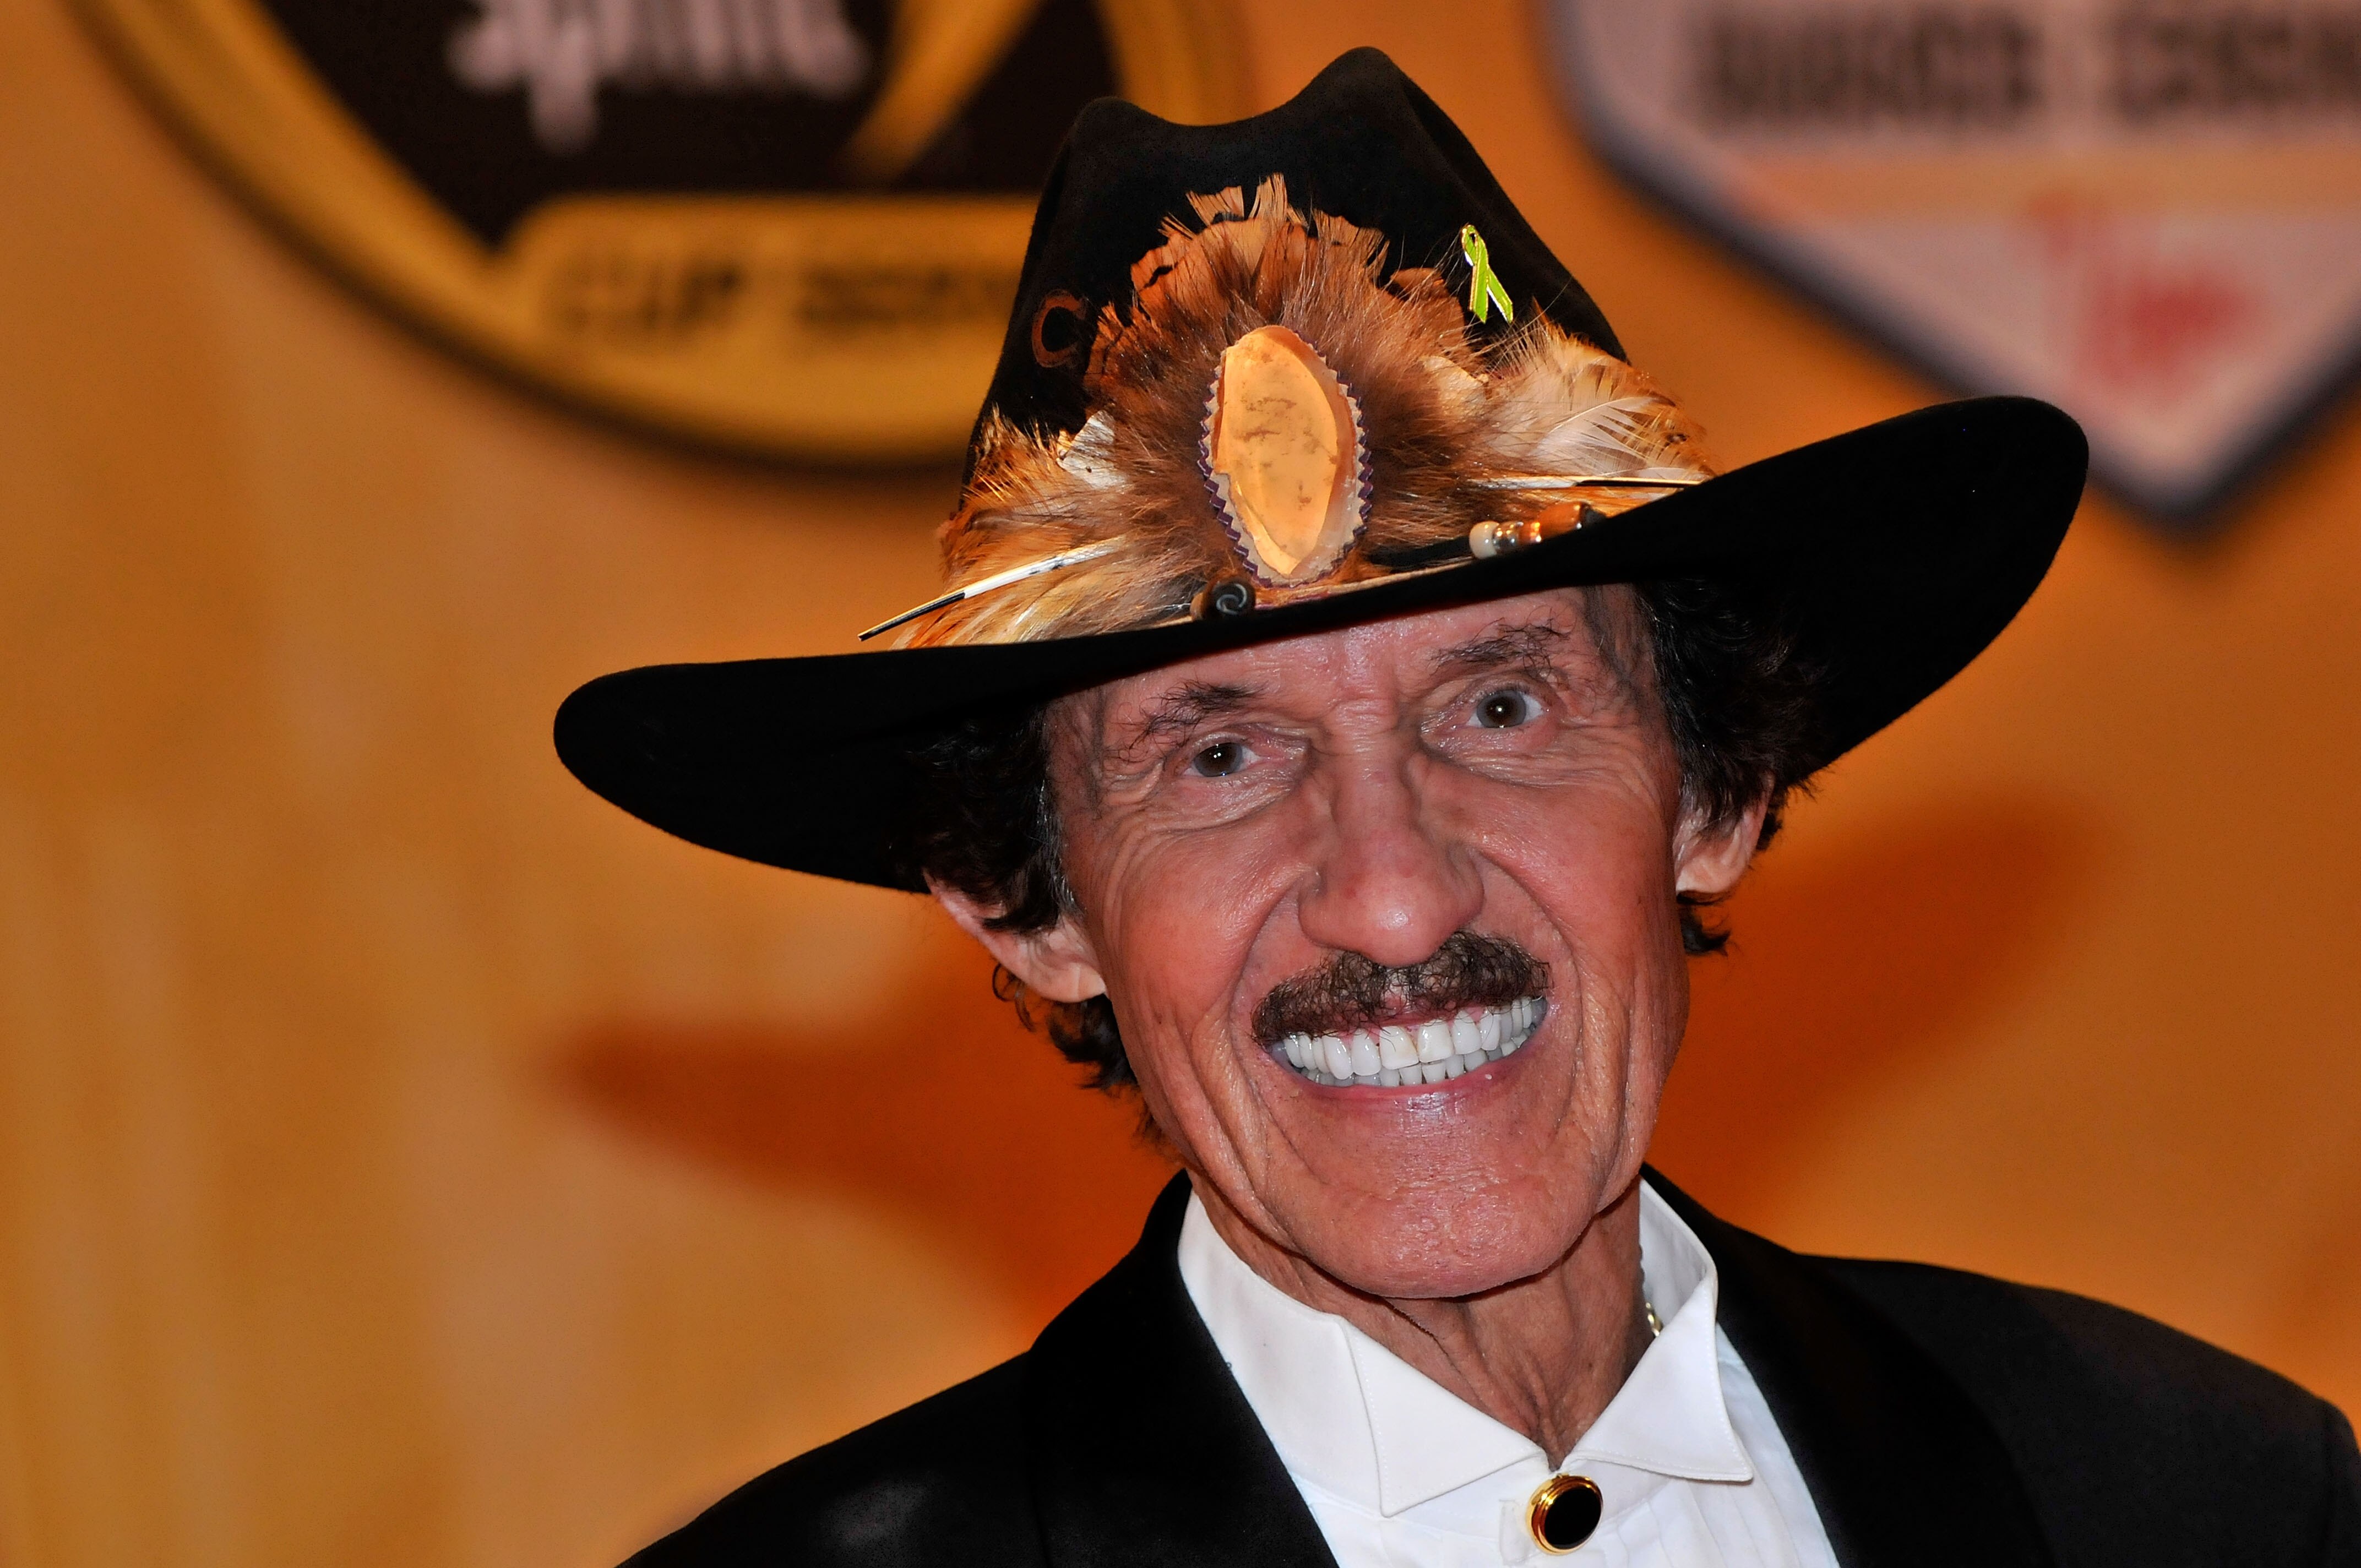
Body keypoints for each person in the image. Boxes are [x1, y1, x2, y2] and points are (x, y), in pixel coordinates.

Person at [556, 48, 2360, 1568]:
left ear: (1718, 788)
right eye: (1219, 756)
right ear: (1032, 905)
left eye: (1501, 707)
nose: (1398, 900)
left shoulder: (2205, 1504)